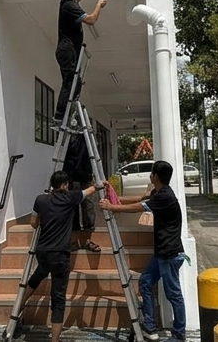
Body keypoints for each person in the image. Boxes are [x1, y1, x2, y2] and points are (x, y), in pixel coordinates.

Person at [100, 160, 185, 342]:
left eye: (152, 172)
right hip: (162, 253)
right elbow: (138, 200)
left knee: (173, 294)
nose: (150, 174)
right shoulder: (159, 192)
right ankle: (150, 326)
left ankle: (179, 334)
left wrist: (112, 208)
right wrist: (111, 194)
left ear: (155, 176)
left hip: (170, 254)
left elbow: (137, 208)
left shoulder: (165, 197)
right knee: (145, 283)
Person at [29, 171, 100, 342]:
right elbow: (88, 191)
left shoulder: (40, 200)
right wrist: (99, 185)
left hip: (43, 251)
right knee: (58, 296)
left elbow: (33, 223)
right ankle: (55, 339)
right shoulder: (70, 198)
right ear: (65, 185)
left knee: (37, 276)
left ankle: (19, 307)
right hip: (60, 254)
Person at [54, 0, 117, 123]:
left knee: (76, 82)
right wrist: (99, 5)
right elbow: (91, 20)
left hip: (70, 51)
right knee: (70, 82)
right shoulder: (70, 6)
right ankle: (60, 117)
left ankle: (69, 114)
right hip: (67, 50)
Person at [62, 132, 100, 252]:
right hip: (71, 176)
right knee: (73, 207)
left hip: (84, 175)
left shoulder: (87, 136)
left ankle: (86, 240)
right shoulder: (69, 135)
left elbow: (93, 152)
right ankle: (74, 241)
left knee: (87, 207)